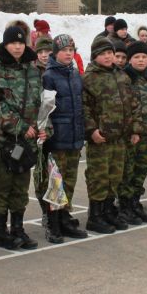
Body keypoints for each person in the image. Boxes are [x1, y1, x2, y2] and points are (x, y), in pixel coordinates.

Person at [0, 24, 46, 249]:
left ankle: (18, 229)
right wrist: (19, 126)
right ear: (5, 44)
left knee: (20, 186)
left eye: (21, 43)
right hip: (4, 140)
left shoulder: (32, 68)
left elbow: (41, 101)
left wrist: (43, 126)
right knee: (2, 186)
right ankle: (1, 232)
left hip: (27, 141)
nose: (18, 47)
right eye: (13, 43)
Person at [83, 36, 141, 233]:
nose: (108, 57)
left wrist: (135, 129)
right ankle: (95, 216)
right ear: (95, 56)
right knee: (99, 177)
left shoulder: (122, 76)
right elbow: (84, 108)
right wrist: (91, 130)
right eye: (103, 54)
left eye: (110, 53)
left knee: (114, 177)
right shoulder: (89, 78)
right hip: (101, 138)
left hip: (120, 138)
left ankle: (108, 212)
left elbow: (133, 104)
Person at [40, 34, 88, 242]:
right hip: (58, 138)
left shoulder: (75, 74)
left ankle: (65, 217)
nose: (68, 54)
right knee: (55, 182)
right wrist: (48, 133)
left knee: (69, 180)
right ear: (55, 53)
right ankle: (53, 222)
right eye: (64, 50)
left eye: (71, 50)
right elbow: (45, 109)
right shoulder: (49, 76)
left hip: (74, 137)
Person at [121, 41, 147, 221]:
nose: (140, 60)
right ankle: (124, 206)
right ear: (130, 60)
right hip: (131, 135)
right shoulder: (124, 79)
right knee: (128, 172)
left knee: (140, 171)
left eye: (144, 57)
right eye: (136, 57)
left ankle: (135, 203)